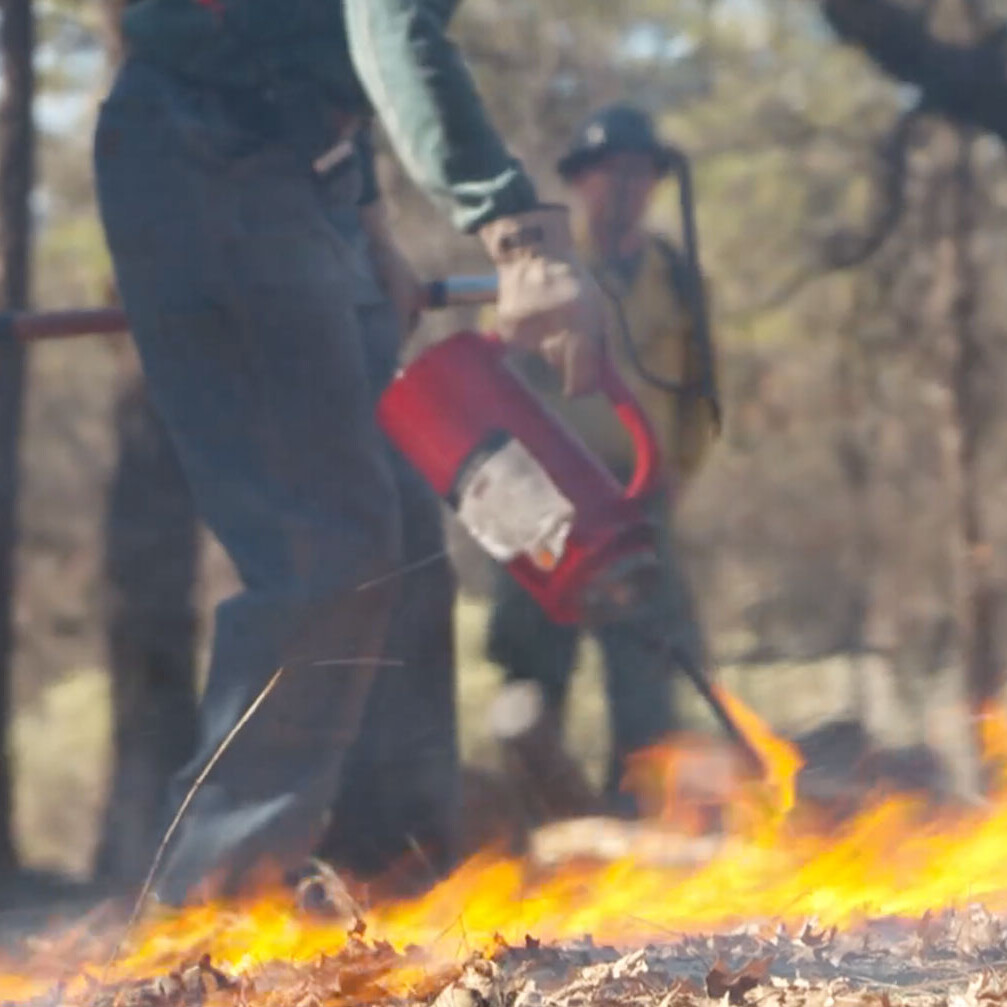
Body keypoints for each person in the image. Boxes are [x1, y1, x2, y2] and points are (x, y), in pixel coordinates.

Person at [94, 0, 609, 904]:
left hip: (307, 168)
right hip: (205, 157)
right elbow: (390, 26)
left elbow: (320, 34)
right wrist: (518, 234)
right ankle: (211, 912)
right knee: (327, 544)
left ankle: (392, 883)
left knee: (404, 535)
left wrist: (365, 222)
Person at [487, 104, 721, 818]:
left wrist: (668, 483)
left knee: (648, 669)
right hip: (544, 499)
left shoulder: (678, 280)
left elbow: (699, 397)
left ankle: (639, 827)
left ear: (653, 183)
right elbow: (488, 378)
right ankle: (534, 823)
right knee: (533, 672)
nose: (621, 187)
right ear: (580, 183)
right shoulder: (539, 270)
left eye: (636, 172)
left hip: (636, 497)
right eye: (606, 173)